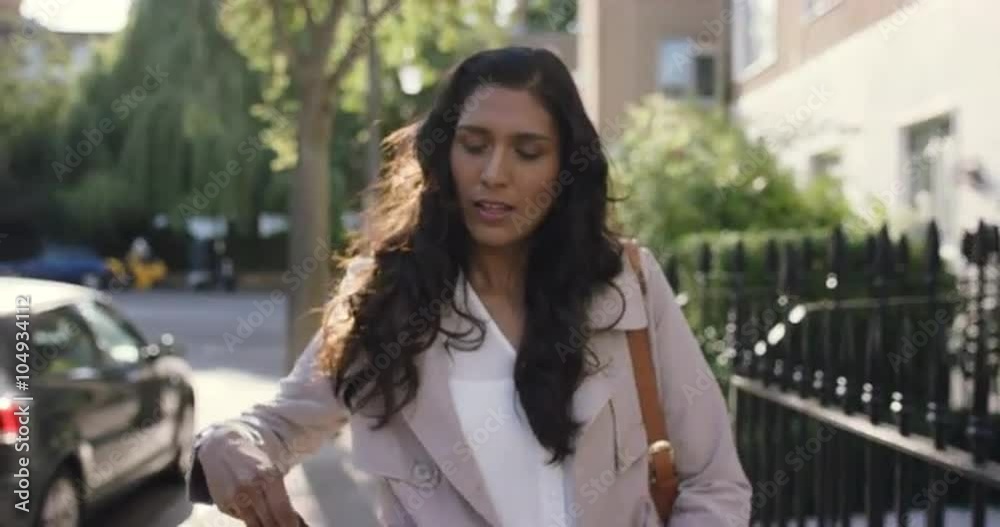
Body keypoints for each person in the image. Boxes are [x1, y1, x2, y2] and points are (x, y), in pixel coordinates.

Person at [188, 47, 751, 526]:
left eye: (527, 152)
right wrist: (226, 446)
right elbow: (274, 426)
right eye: (474, 145)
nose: (494, 174)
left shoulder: (629, 285)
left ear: (565, 169)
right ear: (444, 153)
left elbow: (715, 483)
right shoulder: (386, 295)